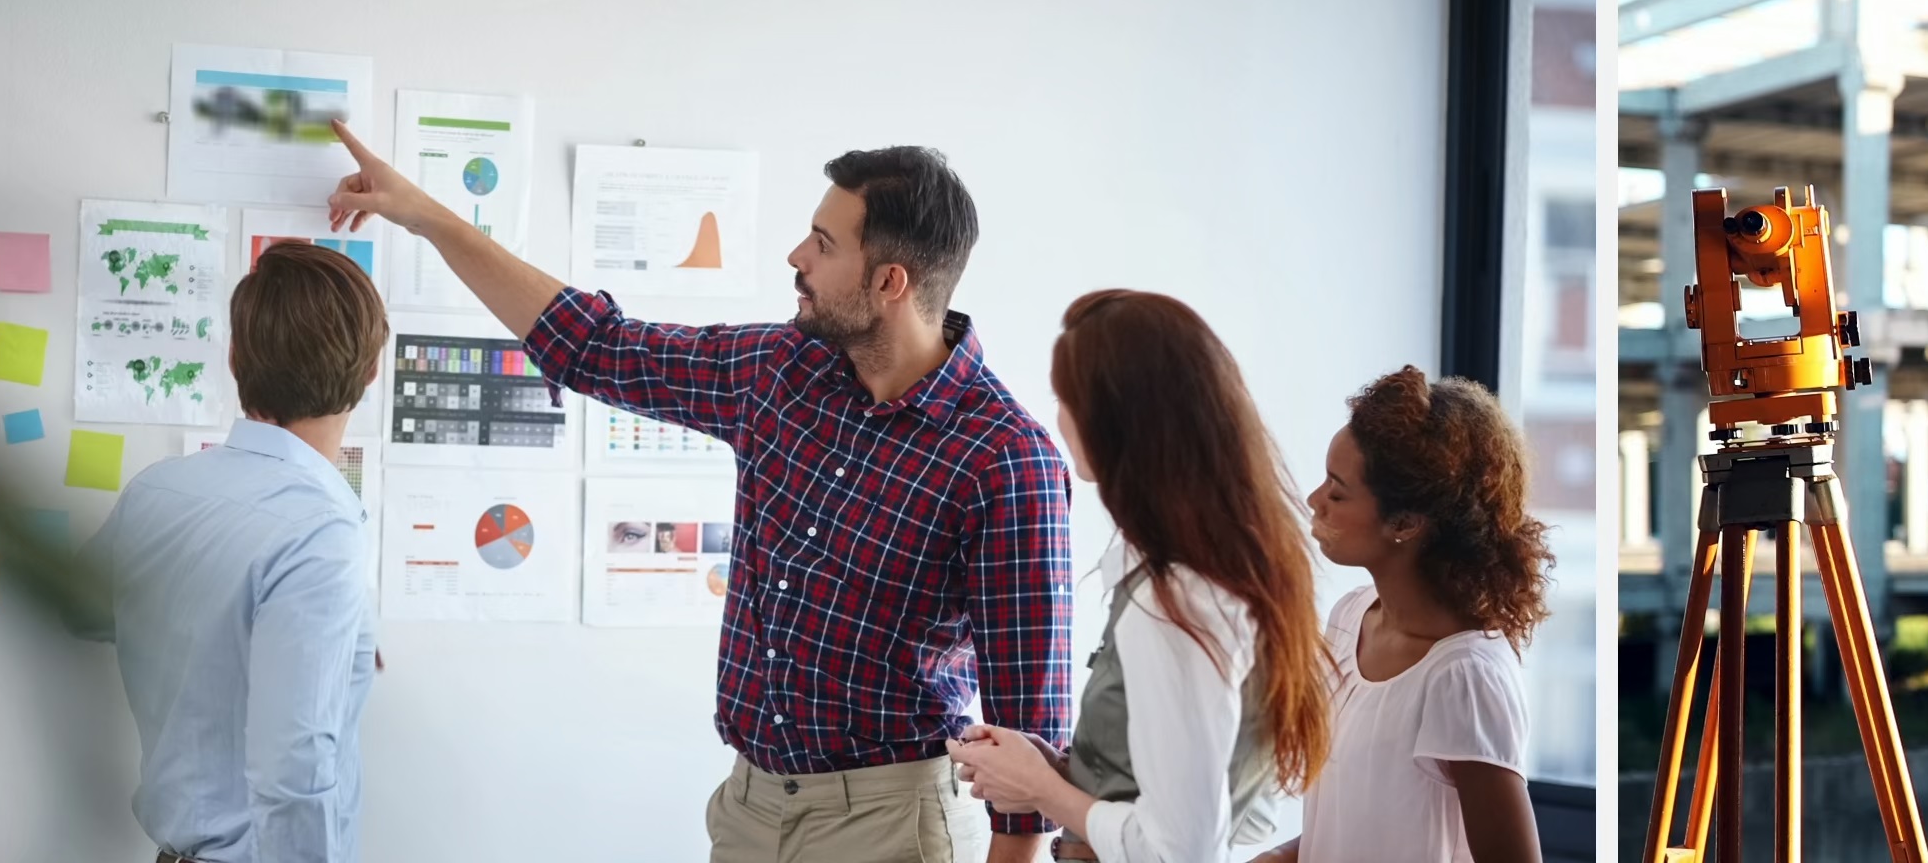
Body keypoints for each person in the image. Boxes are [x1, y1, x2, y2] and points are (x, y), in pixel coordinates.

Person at [322, 127, 1073, 863]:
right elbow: (596, 346)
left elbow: (1032, 724)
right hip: (749, 807)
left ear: (889, 282)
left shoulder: (1005, 459)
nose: (797, 257)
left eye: (824, 243)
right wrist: (422, 213)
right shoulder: (782, 370)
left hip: (893, 824)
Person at [945, 291, 1330, 861]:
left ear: (1114, 424)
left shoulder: (1175, 598)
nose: (1055, 417)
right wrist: (1058, 767)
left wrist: (1042, 789)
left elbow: (1182, 848)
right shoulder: (1234, 564)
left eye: (1064, 398)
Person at [82, 238, 385, 863]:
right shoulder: (320, 532)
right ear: (373, 371)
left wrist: (210, 616)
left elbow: (77, 608)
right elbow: (293, 770)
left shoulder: (159, 488)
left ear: (233, 356)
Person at [1266, 368, 1545, 863]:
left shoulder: (1465, 677)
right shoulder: (1351, 616)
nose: (1314, 502)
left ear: (1405, 522)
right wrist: (1285, 857)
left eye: (1336, 491)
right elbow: (1363, 821)